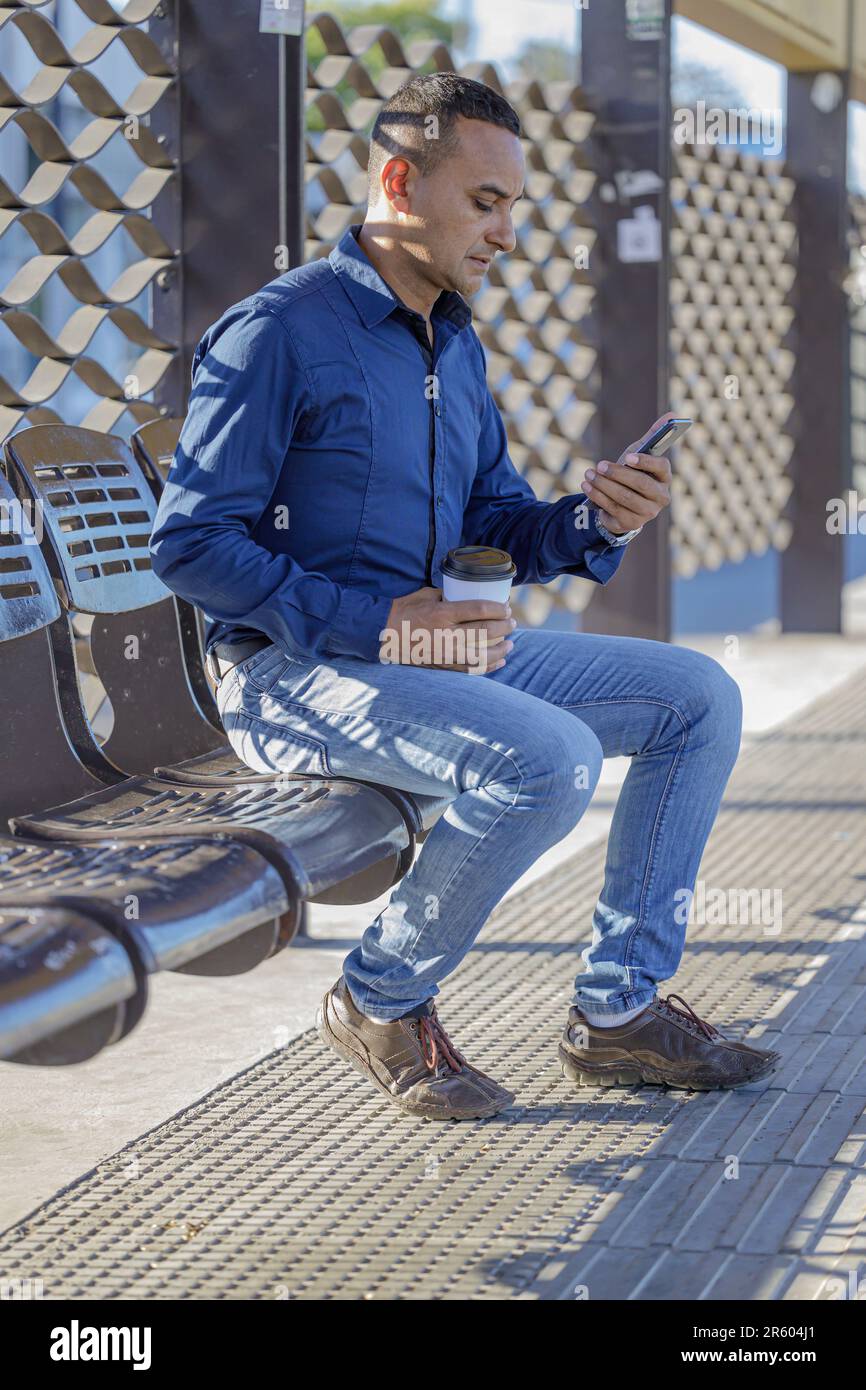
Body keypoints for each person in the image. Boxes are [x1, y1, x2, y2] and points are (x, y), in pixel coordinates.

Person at [150, 73, 778, 1122]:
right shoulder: (278, 332)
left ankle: (615, 1011)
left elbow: (494, 525)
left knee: (696, 696)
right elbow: (189, 543)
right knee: (544, 757)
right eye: (485, 203)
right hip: (289, 673)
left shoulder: (456, 340)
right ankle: (379, 994)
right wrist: (379, 622)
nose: (505, 232)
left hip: (431, 656)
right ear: (398, 181)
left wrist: (592, 523)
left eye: (513, 208)